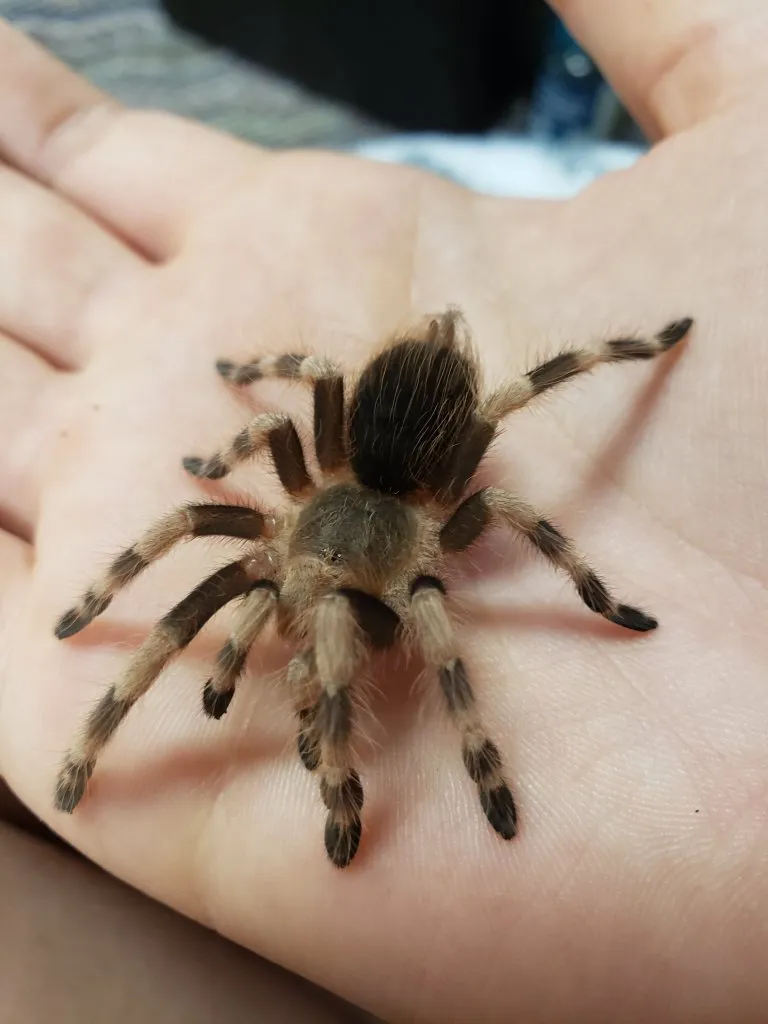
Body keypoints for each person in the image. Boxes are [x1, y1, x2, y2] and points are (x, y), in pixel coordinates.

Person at [0, 3, 766, 1020]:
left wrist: (587, 592)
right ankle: (96, 736)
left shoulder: (444, 517)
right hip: (344, 492)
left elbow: (452, 602)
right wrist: (121, 573)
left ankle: (357, 789)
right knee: (201, 524)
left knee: (488, 424)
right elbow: (258, 437)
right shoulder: (290, 510)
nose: (286, 596)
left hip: (403, 493)